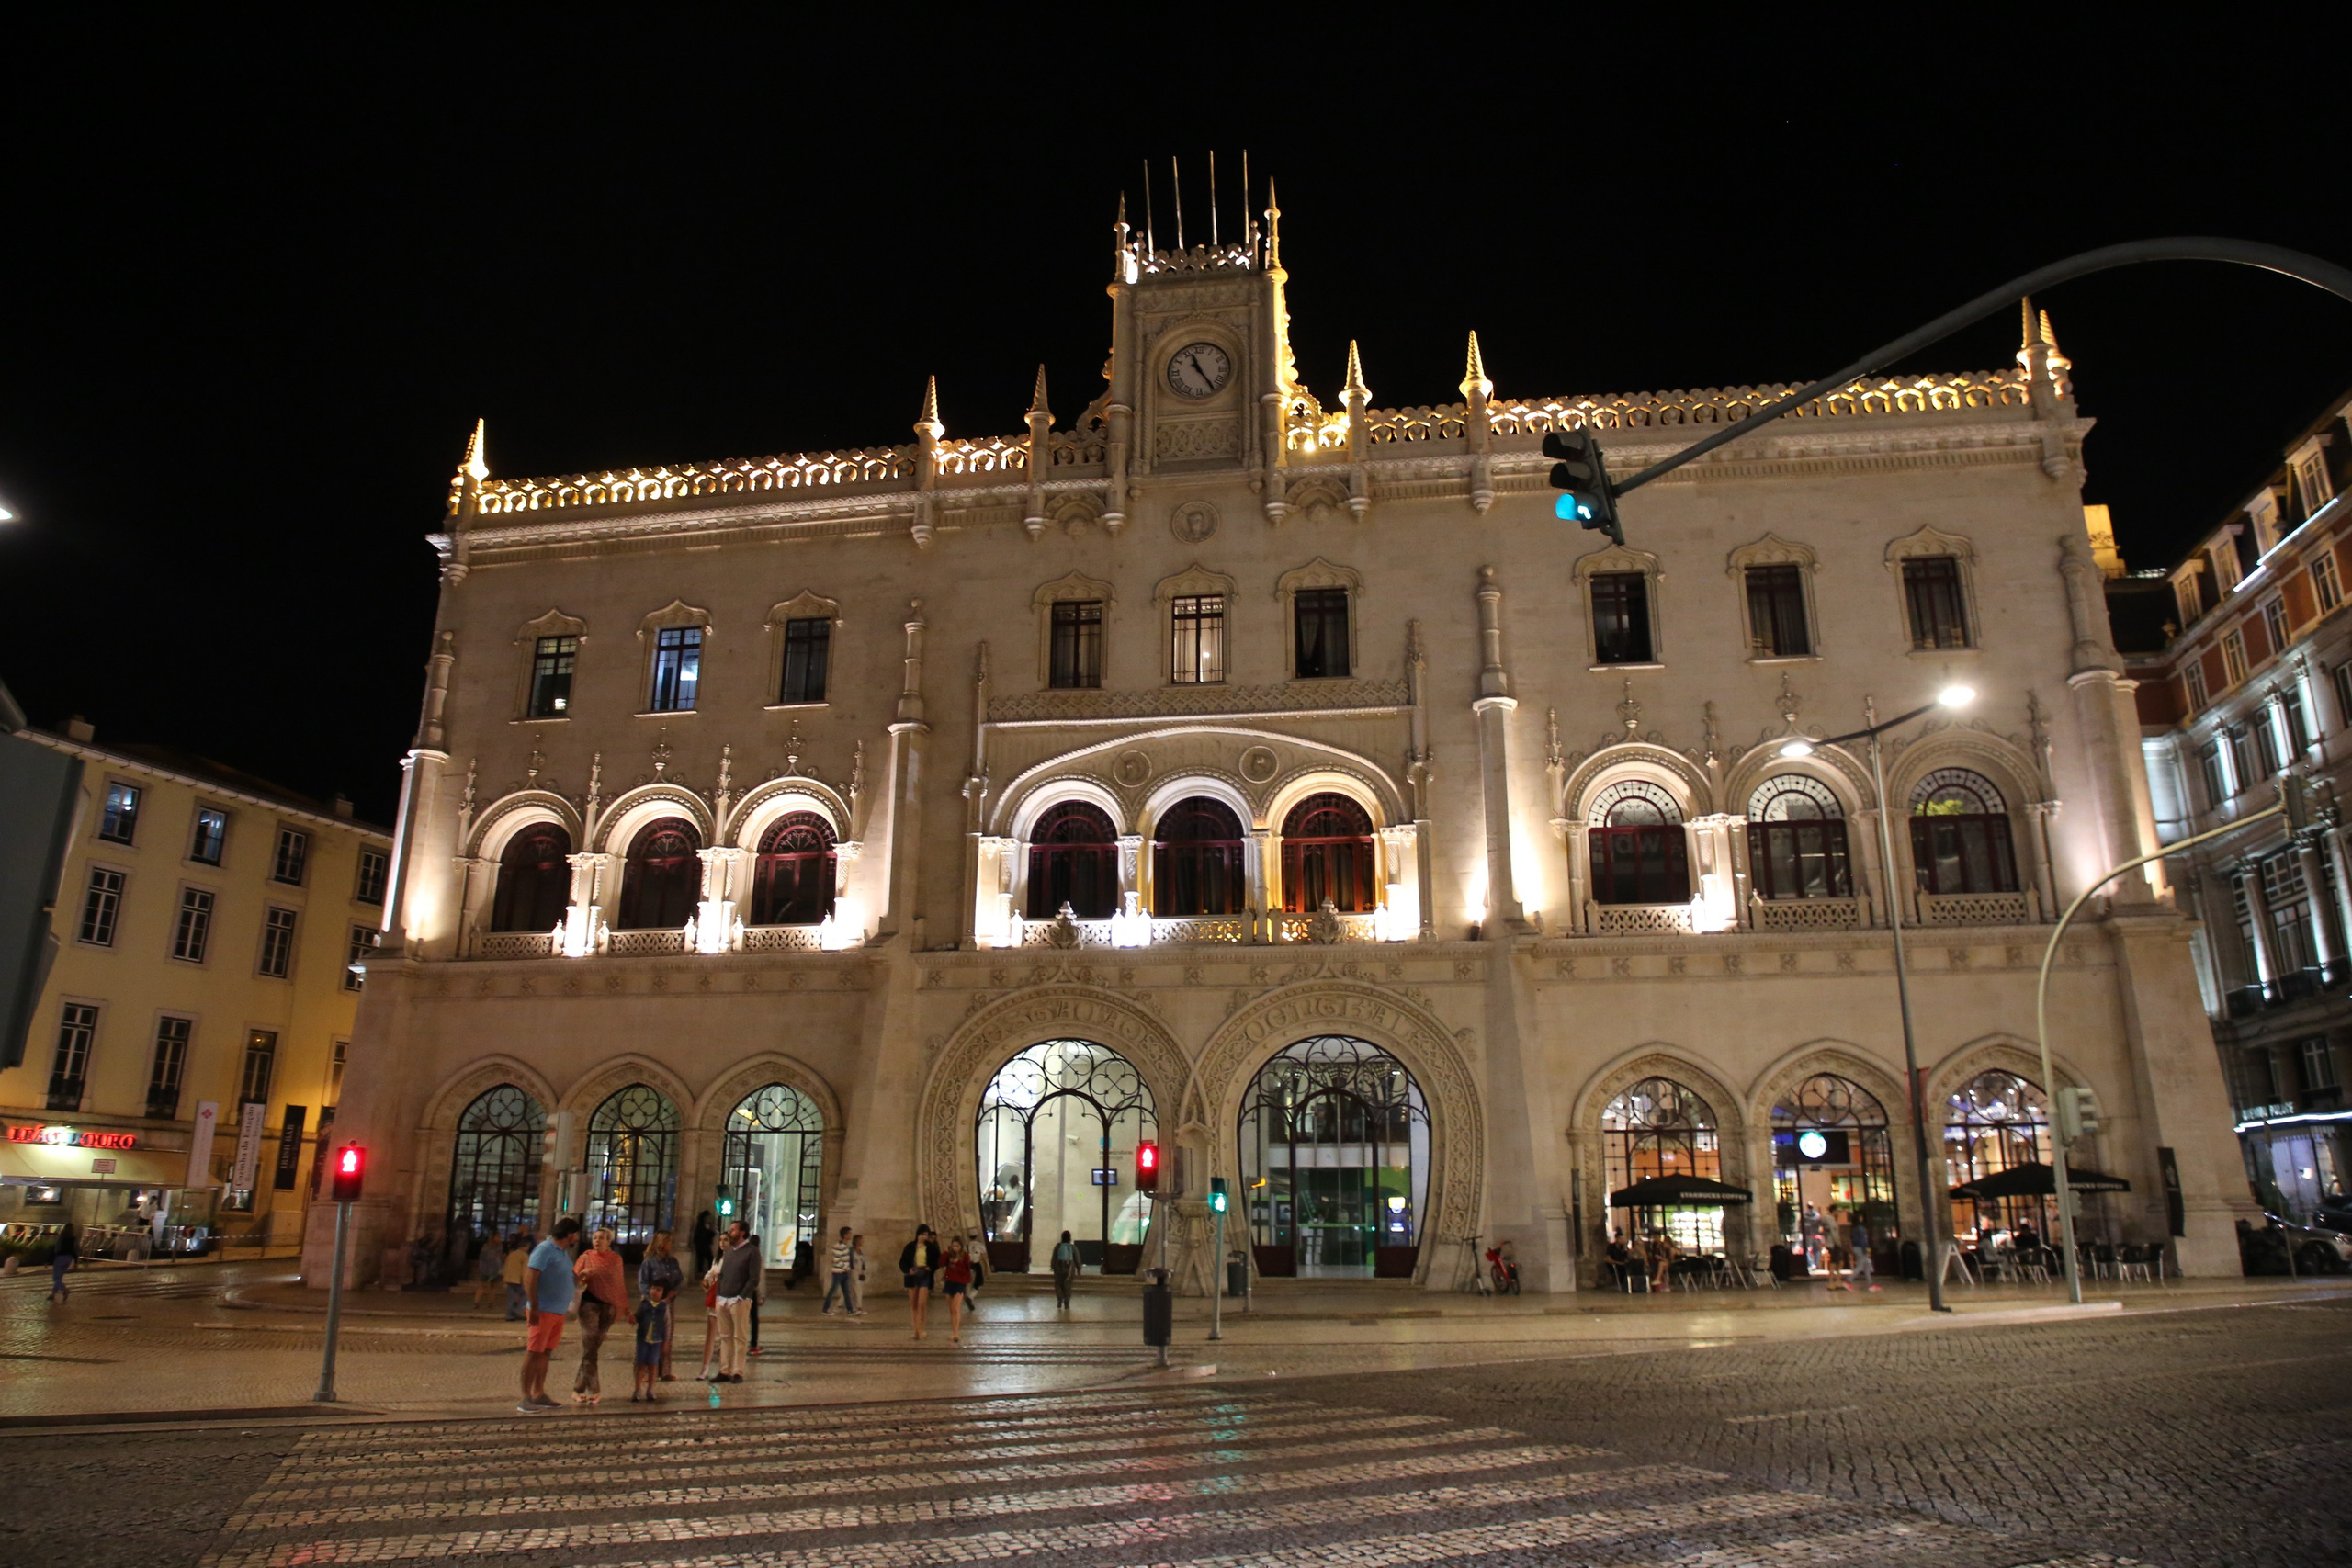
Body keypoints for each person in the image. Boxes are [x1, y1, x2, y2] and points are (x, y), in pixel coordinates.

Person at [519, 1217, 581, 1413]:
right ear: (569, 1234)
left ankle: (539, 1393)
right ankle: (525, 1397)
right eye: (576, 1234)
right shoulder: (545, 1249)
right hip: (543, 1310)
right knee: (534, 1352)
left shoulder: (562, 1253)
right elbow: (530, 1277)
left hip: (557, 1311)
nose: (577, 1238)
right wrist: (534, 1306)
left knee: (545, 1352)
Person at [571, 1226, 632, 1404]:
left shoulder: (615, 1259)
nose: (597, 1241)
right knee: (590, 1344)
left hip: (608, 1307)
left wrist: (626, 1308)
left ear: (609, 1241)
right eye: (595, 1238)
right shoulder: (585, 1257)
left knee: (592, 1349)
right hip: (588, 1305)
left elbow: (619, 1284)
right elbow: (573, 1280)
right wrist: (583, 1275)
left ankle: (578, 1388)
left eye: (601, 1238)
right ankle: (594, 1389)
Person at [709, 1220, 758, 1383]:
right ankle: (724, 1370)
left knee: (740, 1337)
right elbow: (722, 1274)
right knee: (725, 1337)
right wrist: (718, 1294)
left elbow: (753, 1278)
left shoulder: (751, 1251)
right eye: (730, 1230)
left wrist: (742, 1296)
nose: (730, 1232)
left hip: (739, 1300)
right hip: (723, 1298)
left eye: (733, 1230)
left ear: (742, 1233)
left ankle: (738, 1371)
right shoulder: (729, 1251)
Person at [638, 1231, 684, 1380]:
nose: (671, 1244)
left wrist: (673, 1293)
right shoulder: (650, 1262)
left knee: (666, 1336)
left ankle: (665, 1371)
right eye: (668, 1241)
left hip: (668, 1302)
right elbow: (643, 1283)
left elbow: (679, 1279)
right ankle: (646, 1371)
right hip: (652, 1303)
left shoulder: (672, 1261)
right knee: (649, 1336)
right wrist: (653, 1297)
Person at [632, 1280, 672, 1402]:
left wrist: (666, 1341)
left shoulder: (664, 1307)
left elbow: (667, 1324)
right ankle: (637, 1389)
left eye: (658, 1290)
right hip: (643, 1339)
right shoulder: (644, 1304)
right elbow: (637, 1317)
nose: (655, 1292)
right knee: (641, 1364)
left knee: (653, 1365)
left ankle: (650, 1389)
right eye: (653, 1288)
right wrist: (631, 1318)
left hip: (657, 1340)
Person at [899, 1224, 940, 1340]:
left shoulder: (931, 1247)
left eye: (926, 1235)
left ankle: (922, 1329)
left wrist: (930, 1267)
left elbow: (938, 1260)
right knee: (914, 1304)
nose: (924, 1237)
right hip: (912, 1275)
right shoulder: (910, 1247)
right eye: (923, 1234)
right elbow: (902, 1262)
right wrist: (908, 1270)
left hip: (924, 1275)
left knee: (922, 1304)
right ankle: (916, 1330)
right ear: (918, 1234)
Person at [940, 1235, 975, 1344]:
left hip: (960, 1283)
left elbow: (967, 1269)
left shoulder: (965, 1256)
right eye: (954, 1246)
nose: (955, 1248)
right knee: (951, 1309)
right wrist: (946, 1253)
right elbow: (941, 1263)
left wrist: (958, 1263)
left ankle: (956, 1333)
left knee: (956, 1308)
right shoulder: (948, 1255)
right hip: (949, 1282)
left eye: (957, 1246)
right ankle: (954, 1331)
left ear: (961, 1246)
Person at [822, 1226, 854, 1314]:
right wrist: (846, 1268)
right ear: (845, 1235)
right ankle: (825, 1309)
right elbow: (837, 1260)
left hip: (844, 1272)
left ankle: (850, 1309)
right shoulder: (839, 1246)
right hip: (838, 1273)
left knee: (846, 1292)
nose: (851, 1235)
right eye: (849, 1233)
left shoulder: (845, 1246)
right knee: (833, 1290)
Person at [1846, 1209, 1880, 1292]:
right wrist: (1866, 1250)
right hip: (1861, 1249)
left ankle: (1870, 1283)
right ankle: (1848, 1281)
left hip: (1857, 1248)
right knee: (1860, 1266)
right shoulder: (1861, 1228)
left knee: (1868, 1263)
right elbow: (1863, 1241)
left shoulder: (1854, 1228)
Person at [502, 1230, 532, 1320]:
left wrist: (504, 1277)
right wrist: (525, 1281)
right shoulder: (525, 1256)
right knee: (526, 1294)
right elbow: (524, 1270)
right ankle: (517, 1310)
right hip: (517, 1279)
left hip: (509, 1278)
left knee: (511, 1297)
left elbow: (506, 1265)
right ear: (526, 1247)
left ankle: (509, 1315)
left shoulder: (512, 1254)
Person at [472, 1231, 506, 1310]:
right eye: (497, 1237)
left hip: (495, 1269)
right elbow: (482, 1257)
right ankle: (476, 1302)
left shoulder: (500, 1246)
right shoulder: (486, 1246)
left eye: (499, 1237)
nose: (499, 1239)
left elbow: (499, 1257)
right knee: (482, 1286)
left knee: (493, 1286)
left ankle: (491, 1303)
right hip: (486, 1268)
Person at [746, 1234, 768, 1356]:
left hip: (740, 1291)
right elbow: (760, 1277)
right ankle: (753, 1345)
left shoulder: (742, 1254)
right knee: (754, 1319)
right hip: (751, 1291)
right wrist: (762, 1295)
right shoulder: (757, 1256)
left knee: (739, 1319)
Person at [48, 1223, 78, 1303]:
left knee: (56, 1278)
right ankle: (53, 1294)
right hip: (69, 1258)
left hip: (60, 1258)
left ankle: (65, 1290)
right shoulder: (73, 1239)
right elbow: (75, 1250)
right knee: (59, 1278)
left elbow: (57, 1249)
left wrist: (50, 1259)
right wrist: (76, 1261)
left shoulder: (62, 1237)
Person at [1050, 1229, 1079, 1310]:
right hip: (1070, 1269)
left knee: (1058, 1284)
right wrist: (1078, 1268)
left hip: (1059, 1267)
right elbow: (1077, 1258)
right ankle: (1066, 1302)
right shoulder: (1072, 1247)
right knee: (1068, 1285)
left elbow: (1054, 1256)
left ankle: (1059, 1299)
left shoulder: (1058, 1246)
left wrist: (1053, 1266)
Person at [1800, 1204, 1826, 1275]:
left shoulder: (1804, 1215)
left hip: (1808, 1235)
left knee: (1806, 1250)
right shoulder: (1817, 1215)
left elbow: (1801, 1224)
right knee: (1817, 1250)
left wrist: (1802, 1232)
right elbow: (1821, 1225)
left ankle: (1811, 1264)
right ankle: (1816, 1264)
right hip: (1816, 1235)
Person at [691, 1209, 718, 1280]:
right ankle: (703, 1273)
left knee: (705, 1259)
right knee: (704, 1259)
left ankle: (704, 1272)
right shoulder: (701, 1226)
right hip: (702, 1245)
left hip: (704, 1245)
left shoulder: (704, 1225)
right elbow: (703, 1235)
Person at [848, 1232, 869, 1316]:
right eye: (862, 1240)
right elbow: (850, 1262)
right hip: (853, 1272)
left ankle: (853, 1308)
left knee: (855, 1291)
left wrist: (863, 1272)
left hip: (859, 1272)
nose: (863, 1241)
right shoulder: (852, 1251)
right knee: (857, 1291)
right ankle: (858, 1308)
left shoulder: (860, 1251)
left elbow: (862, 1262)